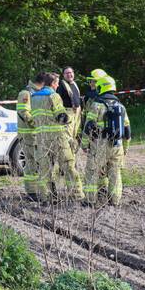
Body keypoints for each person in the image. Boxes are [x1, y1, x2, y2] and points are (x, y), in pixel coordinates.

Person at [81, 69, 131, 207]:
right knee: (115, 174)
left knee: (92, 172)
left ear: (101, 87)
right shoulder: (121, 106)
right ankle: (115, 201)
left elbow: (88, 127)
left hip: (100, 145)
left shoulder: (96, 105)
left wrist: (84, 145)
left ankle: (90, 200)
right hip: (117, 145)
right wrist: (125, 148)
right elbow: (127, 131)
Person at [31, 72, 81, 200]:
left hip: (41, 139)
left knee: (45, 169)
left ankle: (47, 197)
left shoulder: (34, 97)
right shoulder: (54, 96)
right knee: (69, 165)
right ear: (53, 83)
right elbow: (61, 117)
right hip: (57, 137)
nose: (58, 85)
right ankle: (76, 195)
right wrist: (70, 119)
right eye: (57, 83)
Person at [17, 74, 46, 200]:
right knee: (31, 164)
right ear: (42, 83)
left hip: (34, 134)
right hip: (28, 134)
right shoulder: (26, 93)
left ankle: (35, 191)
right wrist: (37, 124)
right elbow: (24, 112)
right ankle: (32, 192)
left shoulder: (36, 93)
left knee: (35, 164)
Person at [57, 67, 83, 158]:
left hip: (77, 114)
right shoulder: (61, 85)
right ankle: (68, 158)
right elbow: (58, 101)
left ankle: (73, 156)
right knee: (68, 136)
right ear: (63, 75)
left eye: (70, 72)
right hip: (68, 113)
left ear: (73, 73)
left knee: (75, 135)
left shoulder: (74, 84)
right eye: (67, 73)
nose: (69, 75)